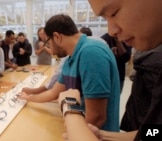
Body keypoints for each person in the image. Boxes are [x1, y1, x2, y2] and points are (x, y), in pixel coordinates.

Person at [63, 0, 162, 140]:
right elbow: (154, 133)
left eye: (114, 13)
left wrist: (70, 108)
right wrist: (103, 135)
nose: (111, 31)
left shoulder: (91, 51)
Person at [19, 14, 120, 132]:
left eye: (48, 42)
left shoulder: (90, 53)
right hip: (82, 129)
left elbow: (96, 119)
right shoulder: (70, 58)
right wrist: (29, 98)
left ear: (57, 37)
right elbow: (53, 92)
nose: (49, 47)